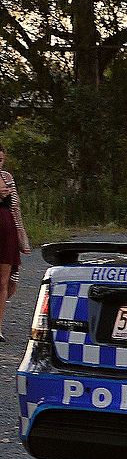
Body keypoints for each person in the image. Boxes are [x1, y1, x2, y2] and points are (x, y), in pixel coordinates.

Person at [0, 142, 32, 342]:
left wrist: (22, 235)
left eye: (1, 159)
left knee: (5, 281)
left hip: (7, 232)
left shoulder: (7, 178)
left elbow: (15, 208)